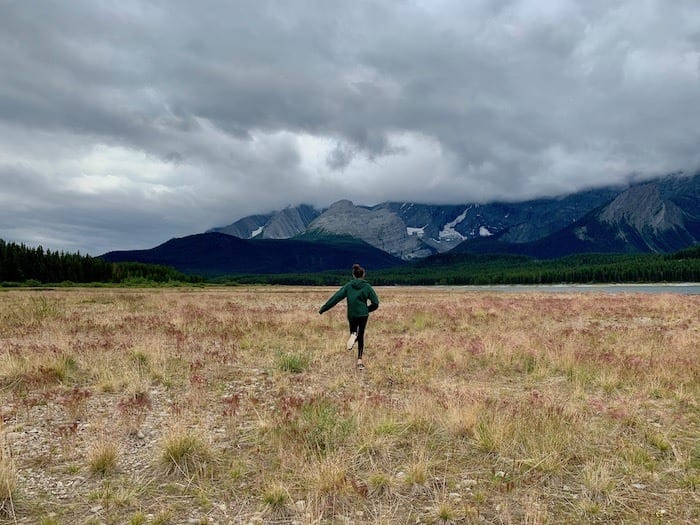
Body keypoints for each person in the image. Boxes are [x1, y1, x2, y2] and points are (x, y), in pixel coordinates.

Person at [319, 263, 379, 370]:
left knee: (354, 332)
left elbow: (336, 298)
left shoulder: (348, 286)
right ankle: (359, 360)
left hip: (352, 314)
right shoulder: (367, 287)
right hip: (363, 314)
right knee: (361, 335)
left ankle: (353, 335)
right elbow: (376, 303)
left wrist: (323, 309)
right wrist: (367, 309)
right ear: (363, 275)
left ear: (353, 275)